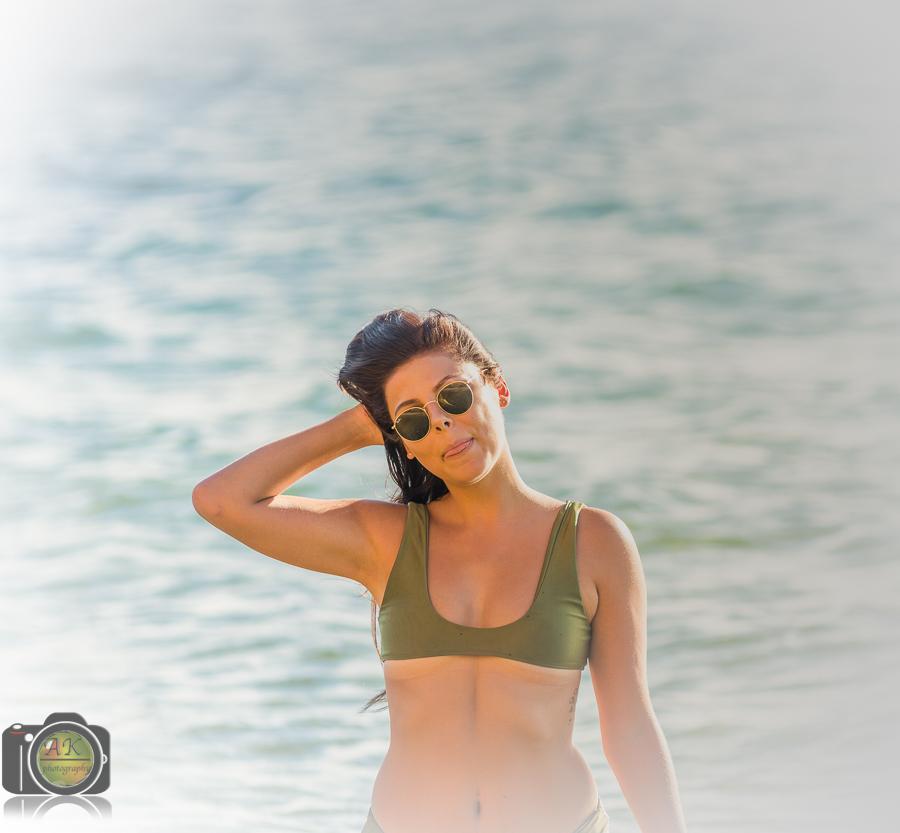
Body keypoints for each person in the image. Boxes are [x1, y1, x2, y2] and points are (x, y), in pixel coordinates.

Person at [192, 308, 688, 833]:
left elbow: (630, 724)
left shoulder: (594, 541)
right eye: (413, 419)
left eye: (453, 395)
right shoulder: (385, 541)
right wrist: (362, 425)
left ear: (498, 388)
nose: (442, 422)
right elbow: (221, 501)